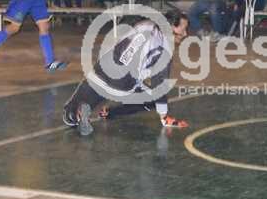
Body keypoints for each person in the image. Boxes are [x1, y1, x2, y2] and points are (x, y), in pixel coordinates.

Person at [62, 11, 190, 135]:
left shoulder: (145, 24)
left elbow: (121, 43)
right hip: (122, 85)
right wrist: (164, 116)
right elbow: (159, 84)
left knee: (92, 88)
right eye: (183, 29)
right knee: (151, 99)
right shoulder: (165, 50)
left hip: (101, 70)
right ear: (171, 26)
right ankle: (109, 112)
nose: (185, 34)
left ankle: (73, 114)